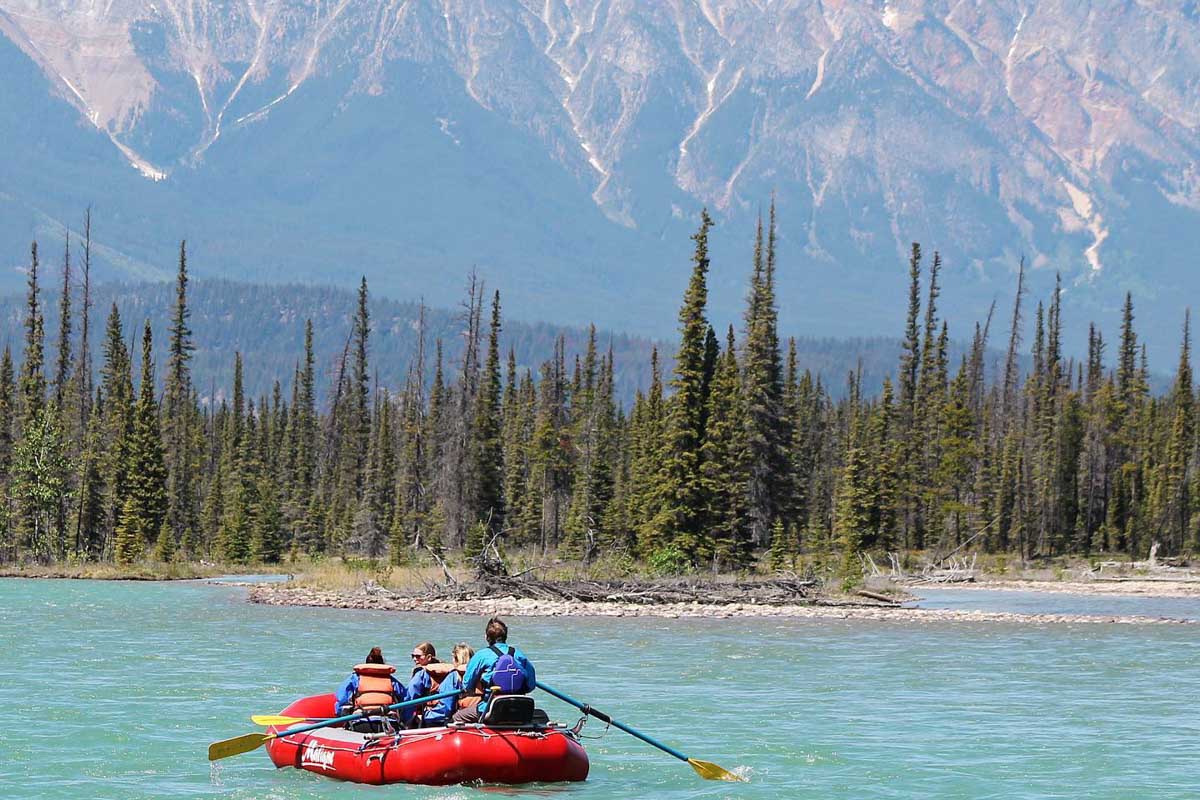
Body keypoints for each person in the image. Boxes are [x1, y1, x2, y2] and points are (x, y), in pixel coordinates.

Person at [452, 617, 535, 723]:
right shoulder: (519, 654)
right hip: (520, 708)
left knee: (457, 717)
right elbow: (531, 685)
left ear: (486, 637)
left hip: (491, 708)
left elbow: (467, 685)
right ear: (506, 636)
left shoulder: (481, 655)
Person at [407, 642, 475, 727]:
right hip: (476, 715)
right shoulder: (481, 675)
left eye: (417, 656)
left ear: (456, 659)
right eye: (413, 656)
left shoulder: (453, 676)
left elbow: (446, 707)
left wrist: (425, 716)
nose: (414, 659)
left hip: (439, 719)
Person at [333, 647, 405, 717]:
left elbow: (342, 700)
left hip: (361, 723)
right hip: (387, 722)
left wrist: (340, 714)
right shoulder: (392, 681)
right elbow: (405, 699)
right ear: (382, 664)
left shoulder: (354, 679)